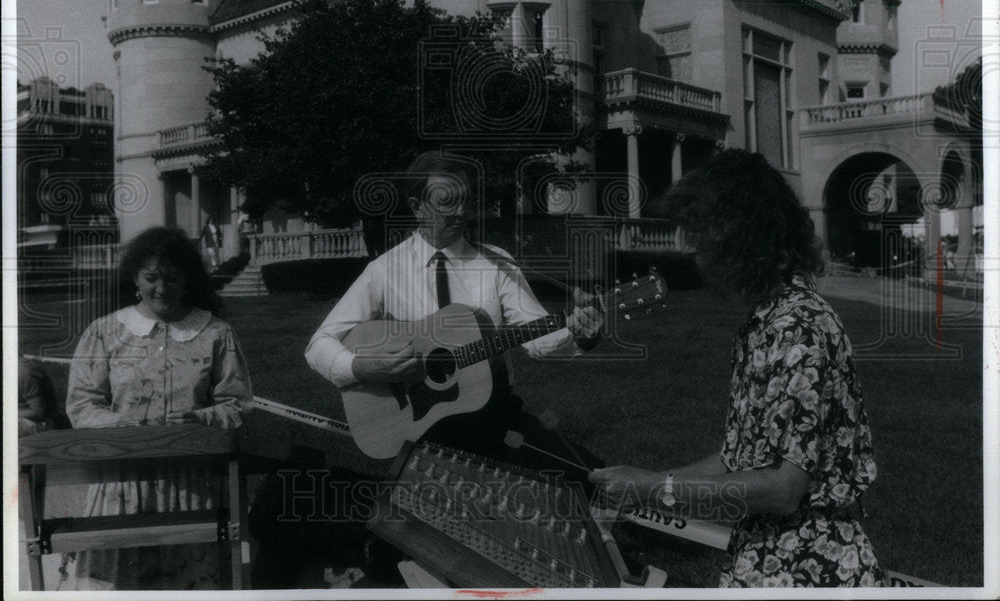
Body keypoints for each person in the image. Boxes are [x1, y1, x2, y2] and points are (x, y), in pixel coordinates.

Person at [590, 150, 884, 588]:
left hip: (809, 569)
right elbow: (741, 459)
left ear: (737, 236)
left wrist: (656, 490)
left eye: (697, 232)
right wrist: (644, 485)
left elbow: (783, 489)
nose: (687, 247)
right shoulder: (765, 322)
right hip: (766, 558)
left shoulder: (798, 328)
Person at [305, 150, 604, 463]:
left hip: (493, 418)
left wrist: (580, 333)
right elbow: (318, 345)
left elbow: (538, 340)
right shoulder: (383, 271)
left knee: (589, 476)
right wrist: (363, 368)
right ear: (417, 207)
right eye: (447, 202)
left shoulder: (496, 263)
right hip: (419, 431)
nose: (461, 212)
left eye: (466, 200)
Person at [65, 226, 252, 591]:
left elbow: (238, 403)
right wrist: (122, 423)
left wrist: (202, 418)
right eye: (151, 278)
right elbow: (81, 404)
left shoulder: (216, 334)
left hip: (193, 486)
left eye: (171, 278)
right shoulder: (105, 332)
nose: (161, 288)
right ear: (135, 277)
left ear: (187, 280)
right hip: (120, 486)